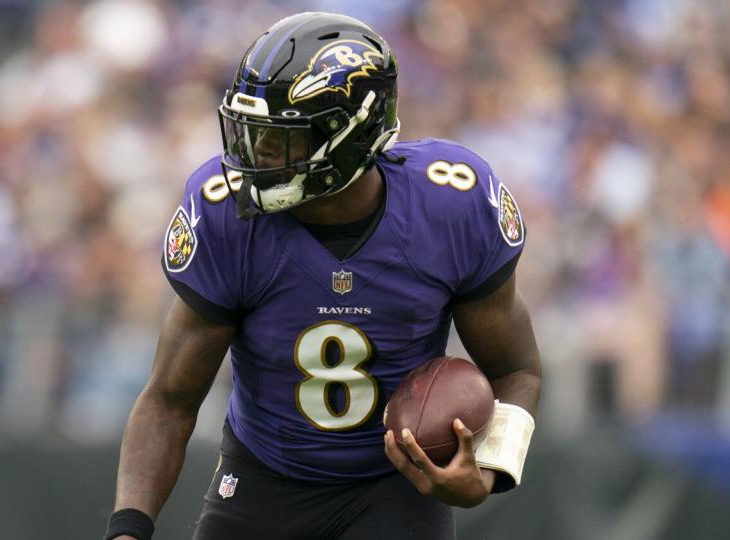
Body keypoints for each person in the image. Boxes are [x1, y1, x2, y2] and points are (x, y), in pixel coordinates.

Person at [105, 11, 541, 540]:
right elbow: (170, 398)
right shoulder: (225, 217)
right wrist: (128, 529)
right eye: (250, 132)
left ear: (349, 136)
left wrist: (488, 472)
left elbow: (517, 369)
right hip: (263, 477)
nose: (252, 154)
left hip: (396, 483)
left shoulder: (450, 208)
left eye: (277, 138)